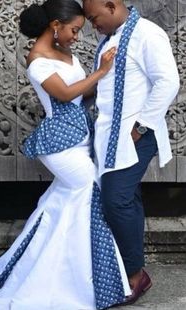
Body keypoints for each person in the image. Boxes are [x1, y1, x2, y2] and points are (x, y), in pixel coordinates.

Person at [0, 0, 131, 309]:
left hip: (79, 137)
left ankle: (57, 272)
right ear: (55, 26)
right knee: (89, 191)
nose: (77, 37)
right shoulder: (37, 60)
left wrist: (112, 82)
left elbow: (82, 92)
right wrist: (102, 71)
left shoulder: (66, 53)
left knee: (63, 205)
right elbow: (65, 93)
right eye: (74, 30)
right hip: (59, 145)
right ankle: (74, 280)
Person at [82, 0, 180, 305]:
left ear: (111, 6)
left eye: (94, 18)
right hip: (112, 136)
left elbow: (168, 82)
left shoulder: (147, 34)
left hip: (135, 135)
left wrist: (140, 128)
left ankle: (136, 275)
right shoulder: (109, 39)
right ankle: (130, 269)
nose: (91, 25)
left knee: (116, 201)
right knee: (127, 199)